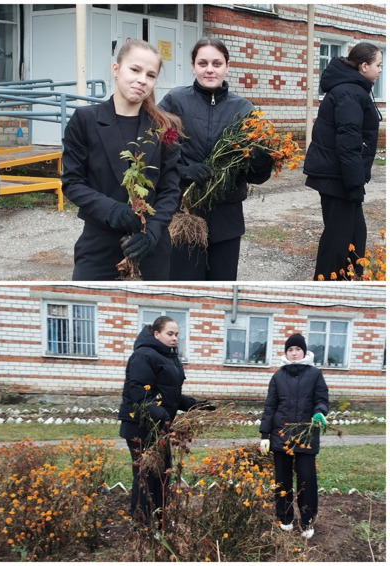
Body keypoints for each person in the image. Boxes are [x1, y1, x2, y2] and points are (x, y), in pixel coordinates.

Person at [62, 39, 183, 280]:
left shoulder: (163, 127)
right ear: (116, 69)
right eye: (135, 70)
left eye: (151, 75)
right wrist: (112, 209)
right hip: (99, 244)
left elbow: (171, 189)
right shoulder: (85, 121)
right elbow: (72, 182)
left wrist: (152, 233)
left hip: (150, 245)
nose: (142, 80)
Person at [158, 37, 274, 281]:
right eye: (202, 63)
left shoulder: (243, 110)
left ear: (227, 66)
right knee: (184, 284)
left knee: (222, 283)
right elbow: (153, 150)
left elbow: (256, 175)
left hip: (227, 219)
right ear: (193, 66)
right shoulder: (174, 101)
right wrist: (181, 170)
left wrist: (262, 160)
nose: (209, 69)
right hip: (185, 217)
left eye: (216, 63)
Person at [305, 43, 382, 280]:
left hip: (340, 176)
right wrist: (354, 184)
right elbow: (348, 143)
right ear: (364, 66)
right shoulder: (350, 92)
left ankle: (353, 278)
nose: (380, 70)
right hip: (338, 178)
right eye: (378, 64)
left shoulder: (355, 89)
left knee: (354, 236)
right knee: (337, 241)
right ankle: (326, 284)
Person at [117, 316, 205, 526]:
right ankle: (142, 521)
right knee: (146, 474)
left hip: (159, 426)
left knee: (161, 473)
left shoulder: (169, 357)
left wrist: (195, 405)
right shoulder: (143, 356)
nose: (175, 338)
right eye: (170, 334)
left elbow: (169, 394)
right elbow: (140, 393)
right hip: (140, 425)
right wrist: (164, 417)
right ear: (156, 334)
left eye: (176, 334)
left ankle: (158, 516)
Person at [260, 333, 329, 539]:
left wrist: (320, 411)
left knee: (307, 480)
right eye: (290, 350)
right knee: (282, 480)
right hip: (281, 435)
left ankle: (307, 521)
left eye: (298, 349)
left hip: (306, 436)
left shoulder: (315, 374)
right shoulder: (278, 376)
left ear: (304, 351)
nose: (294, 353)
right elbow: (270, 406)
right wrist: (265, 434)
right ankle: (285, 518)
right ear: (286, 353)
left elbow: (322, 399)